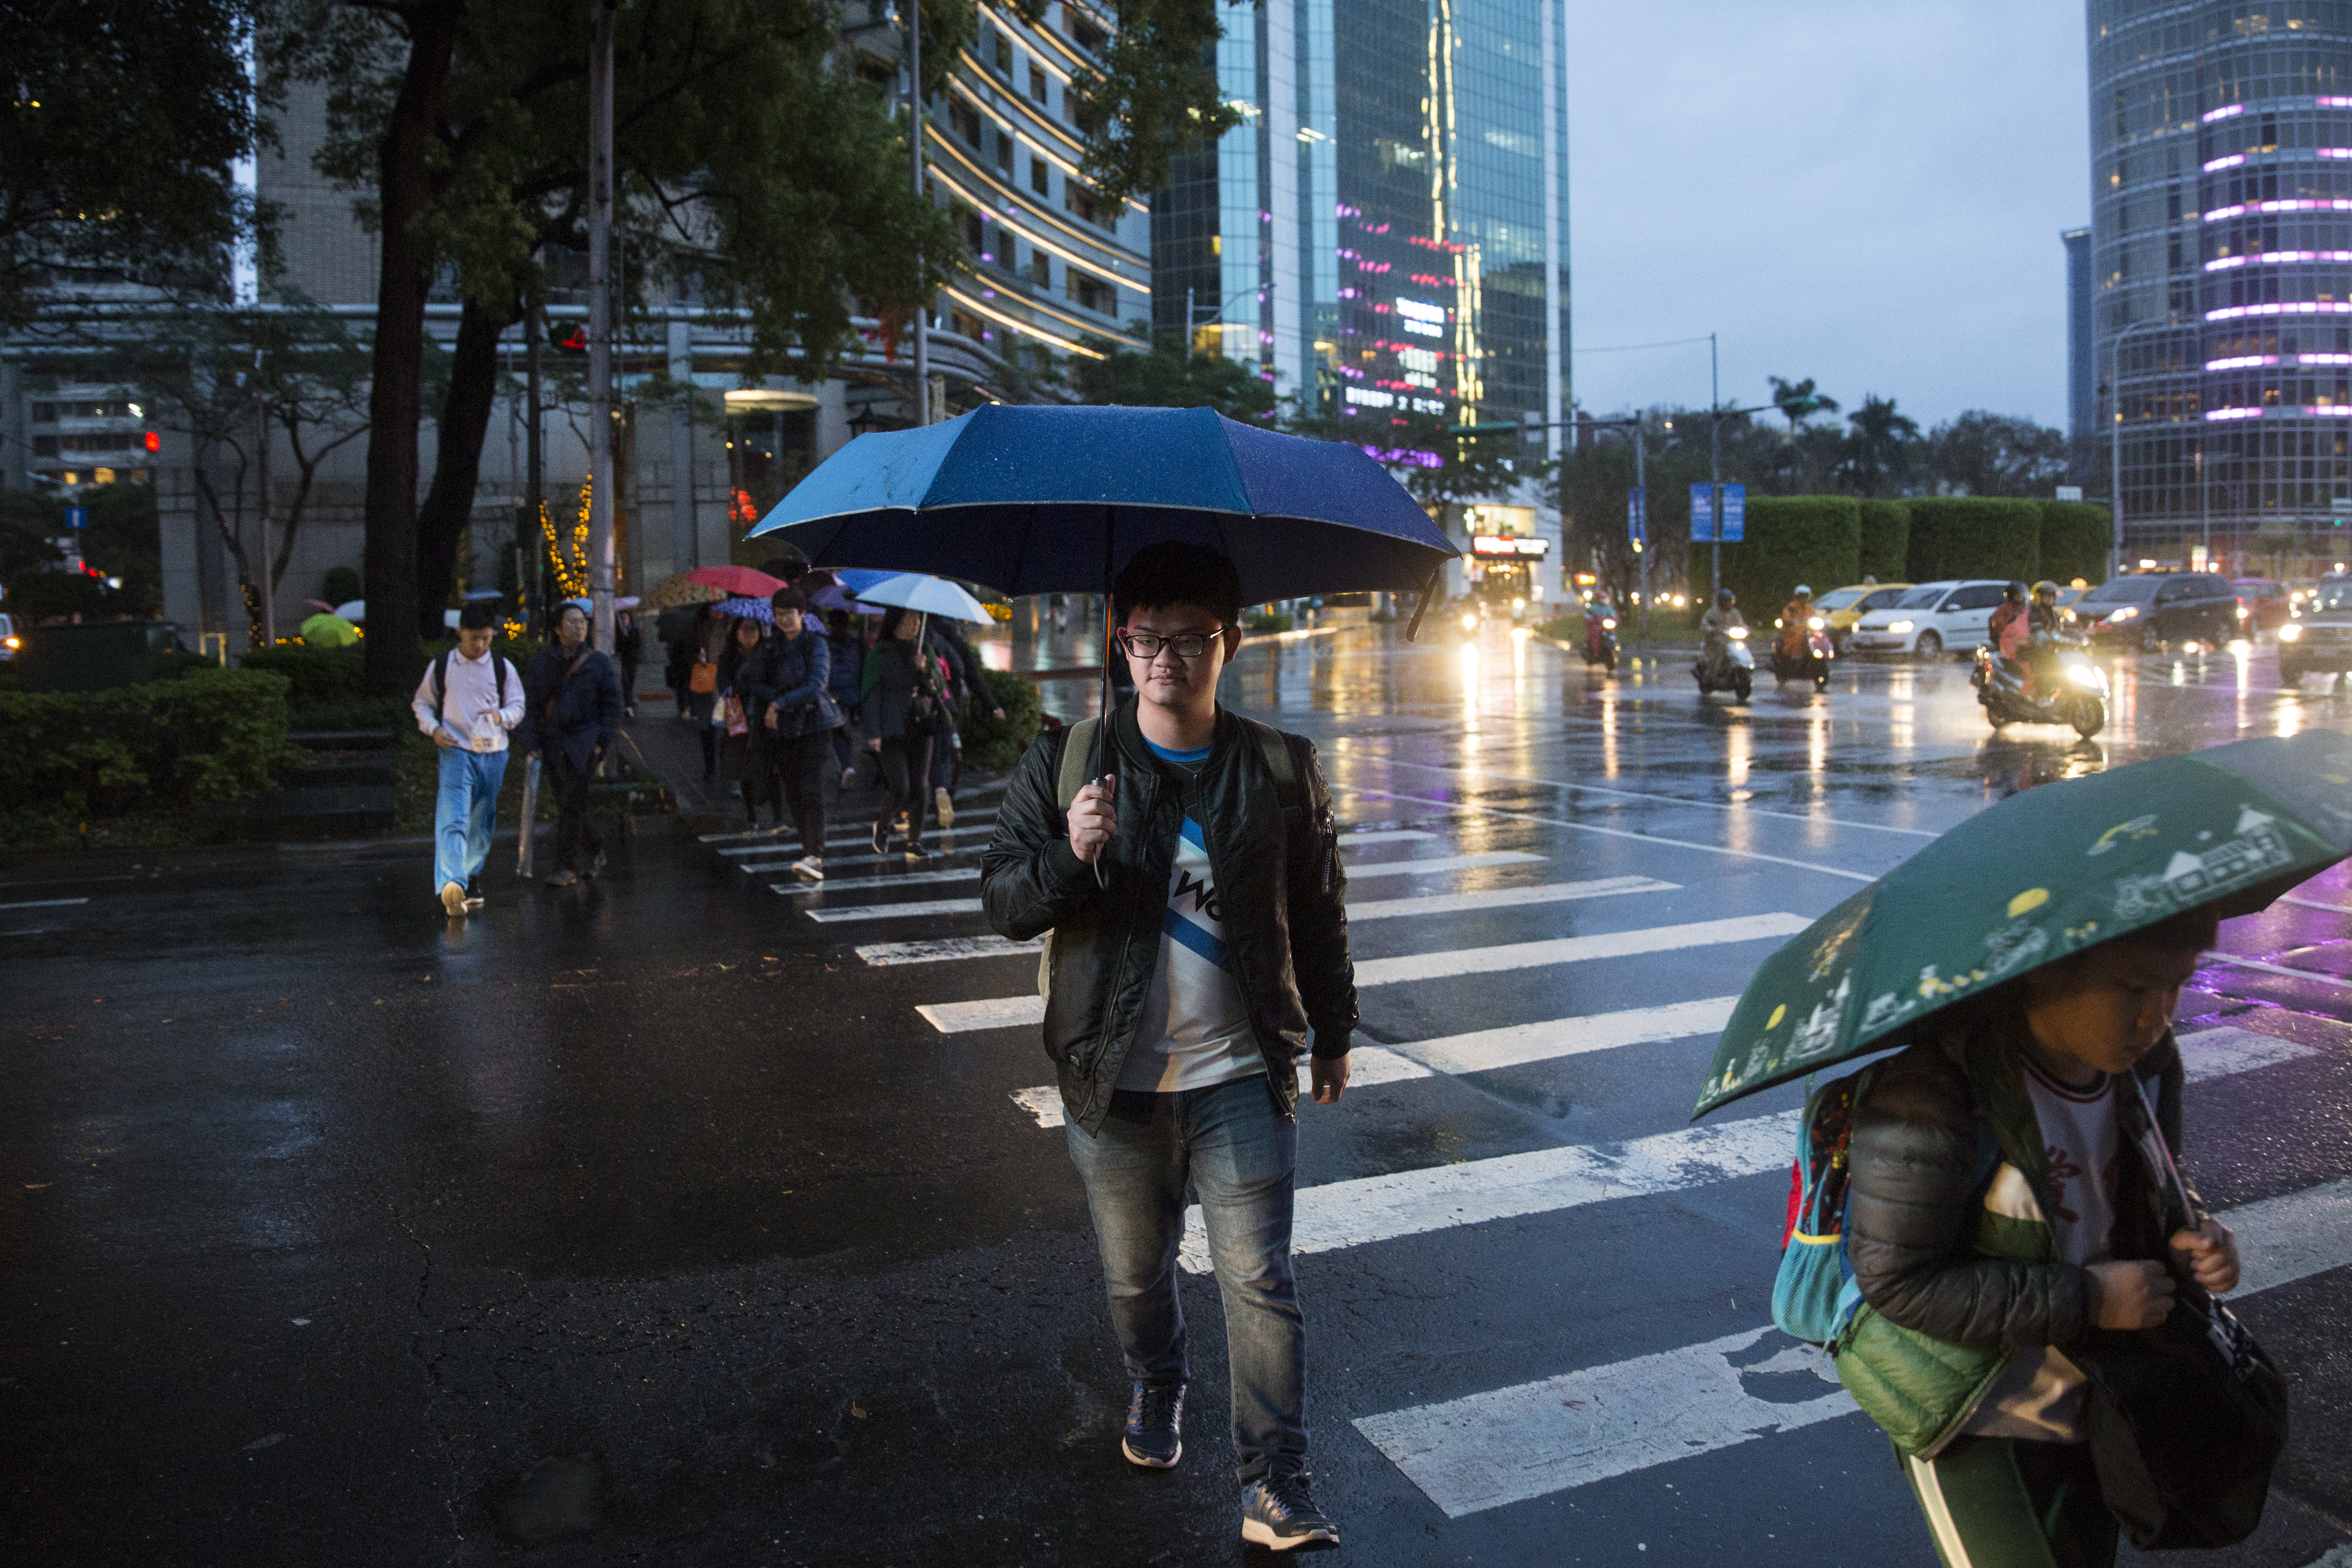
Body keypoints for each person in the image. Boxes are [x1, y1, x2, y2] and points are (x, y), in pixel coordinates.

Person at [979, 541, 1357, 1551]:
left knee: (1260, 1279)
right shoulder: (1069, 762)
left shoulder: (1279, 766)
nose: (1163, 657)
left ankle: (1275, 1479)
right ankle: (1157, 1381)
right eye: (1144, 637)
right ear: (1121, 643)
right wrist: (1072, 849)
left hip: (1240, 1071)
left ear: (1229, 643)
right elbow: (1003, 899)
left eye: (1188, 638)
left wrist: (1332, 1031)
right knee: (1135, 1278)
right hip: (1115, 1084)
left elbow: (1316, 914)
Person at [1842, 907, 2243, 1568]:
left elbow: (2157, 1186)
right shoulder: (1930, 1094)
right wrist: (2087, 1299)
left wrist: (2194, 1236)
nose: (2159, 1016)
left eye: (2180, 983)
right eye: (2134, 987)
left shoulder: (2144, 1066)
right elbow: (1897, 1282)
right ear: (2047, 966)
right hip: (1975, 1418)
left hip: (2100, 1400)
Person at [412, 601, 526, 917]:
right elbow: (422, 703)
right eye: (473, 637)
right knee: (453, 817)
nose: (479, 645)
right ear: (459, 632)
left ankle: (471, 875)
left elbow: (518, 706)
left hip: (493, 752)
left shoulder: (503, 668)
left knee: (482, 818)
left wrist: (501, 716)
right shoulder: (443, 666)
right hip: (455, 749)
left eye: (486, 638)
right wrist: (434, 729)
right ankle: (452, 883)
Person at [520, 601, 624, 887]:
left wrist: (603, 741)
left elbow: (613, 705)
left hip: (586, 742)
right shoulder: (541, 664)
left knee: (571, 803)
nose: (579, 628)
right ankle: (597, 850)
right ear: (557, 628)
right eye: (572, 622)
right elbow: (531, 707)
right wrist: (530, 742)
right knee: (570, 803)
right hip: (554, 744)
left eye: (582, 622)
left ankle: (566, 867)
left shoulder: (598, 663)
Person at [759, 587, 841, 880]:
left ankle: (815, 854)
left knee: (811, 789)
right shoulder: (770, 647)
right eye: (778, 614)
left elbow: (816, 685)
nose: (783, 620)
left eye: (789, 614)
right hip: (784, 728)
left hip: (815, 724)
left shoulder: (815, 644)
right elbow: (757, 681)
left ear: (803, 614)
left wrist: (780, 701)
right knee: (792, 789)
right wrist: (775, 698)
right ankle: (807, 851)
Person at [861, 606, 950, 860]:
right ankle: (883, 824)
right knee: (899, 785)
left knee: (920, 786)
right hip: (891, 726)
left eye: (917, 620)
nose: (914, 625)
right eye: (908, 619)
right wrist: (873, 731)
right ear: (895, 622)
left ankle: (914, 841)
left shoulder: (926, 651)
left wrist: (926, 670)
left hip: (922, 725)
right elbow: (871, 693)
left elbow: (939, 688)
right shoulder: (880, 652)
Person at [924, 612, 1003, 829]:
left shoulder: (919, 642)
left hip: (921, 708)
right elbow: (971, 676)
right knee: (945, 751)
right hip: (949, 705)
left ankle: (926, 795)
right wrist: (993, 705)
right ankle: (943, 790)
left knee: (925, 754)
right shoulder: (951, 642)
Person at [715, 605, 777, 830]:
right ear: (736, 631)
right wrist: (734, 689)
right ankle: (752, 814)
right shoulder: (729, 656)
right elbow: (723, 683)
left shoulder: (768, 652)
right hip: (739, 716)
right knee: (744, 767)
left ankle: (776, 813)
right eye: (745, 628)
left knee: (769, 764)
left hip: (763, 714)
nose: (749, 633)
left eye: (754, 629)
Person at [824, 608, 867, 789]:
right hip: (854, 695)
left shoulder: (825, 643)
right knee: (847, 732)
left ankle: (845, 766)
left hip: (834, 694)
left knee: (839, 733)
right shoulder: (857, 644)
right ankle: (847, 766)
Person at [614, 607, 643, 718]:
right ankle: (627, 706)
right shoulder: (620, 631)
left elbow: (638, 644)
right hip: (623, 661)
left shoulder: (634, 630)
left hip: (632, 660)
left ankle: (629, 704)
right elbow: (618, 647)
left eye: (626, 618)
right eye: (623, 618)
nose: (625, 620)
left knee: (630, 682)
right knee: (625, 682)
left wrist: (628, 636)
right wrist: (623, 637)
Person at [1777, 584, 1816, 663]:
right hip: (1793, 631)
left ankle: (1818, 656)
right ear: (1797, 596)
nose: (1804, 598)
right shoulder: (1790, 607)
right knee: (1797, 636)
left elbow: (1815, 617)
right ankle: (1795, 656)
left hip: (1808, 631)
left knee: (1820, 637)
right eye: (1802, 595)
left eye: (1806, 596)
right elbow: (1786, 620)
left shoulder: (1810, 608)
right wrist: (1796, 622)